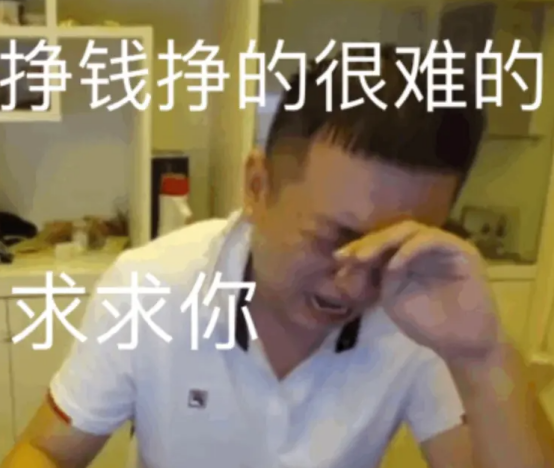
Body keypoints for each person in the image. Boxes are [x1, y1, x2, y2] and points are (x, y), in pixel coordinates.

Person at [3, 46, 554, 469]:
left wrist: (484, 356)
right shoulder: (151, 284)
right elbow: (47, 451)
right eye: (334, 239)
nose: (354, 286)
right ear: (257, 186)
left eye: (394, 252)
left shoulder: (420, 308)